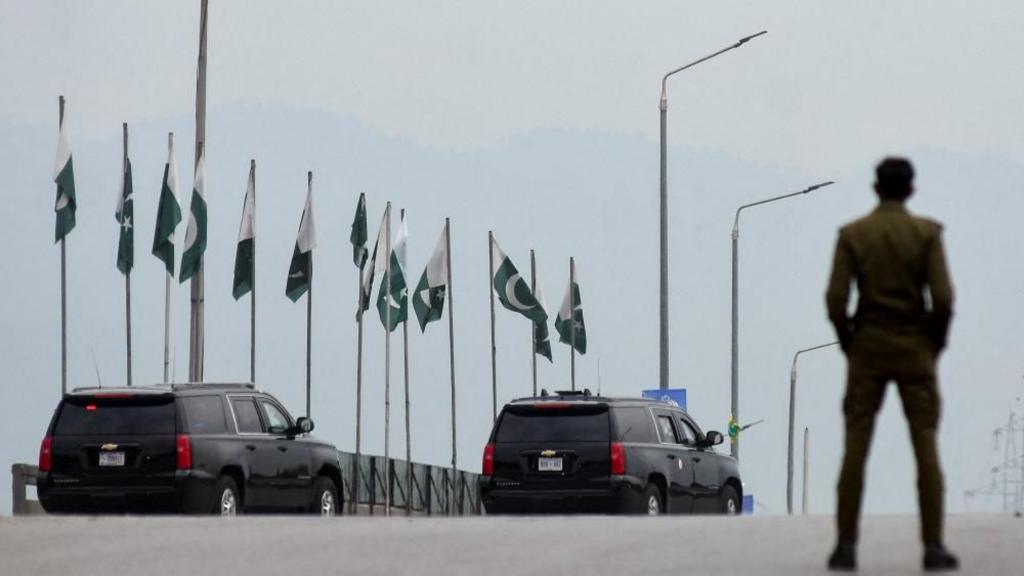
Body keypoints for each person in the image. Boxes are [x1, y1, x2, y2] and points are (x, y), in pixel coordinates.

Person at [825, 157, 959, 572]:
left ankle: (846, 546)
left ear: (876, 189)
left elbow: (835, 298)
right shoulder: (926, 234)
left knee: (855, 447)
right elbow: (944, 298)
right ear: (911, 191)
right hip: (915, 347)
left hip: (867, 347)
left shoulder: (853, 235)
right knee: (925, 445)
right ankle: (933, 547)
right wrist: (933, 343)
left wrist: (849, 340)